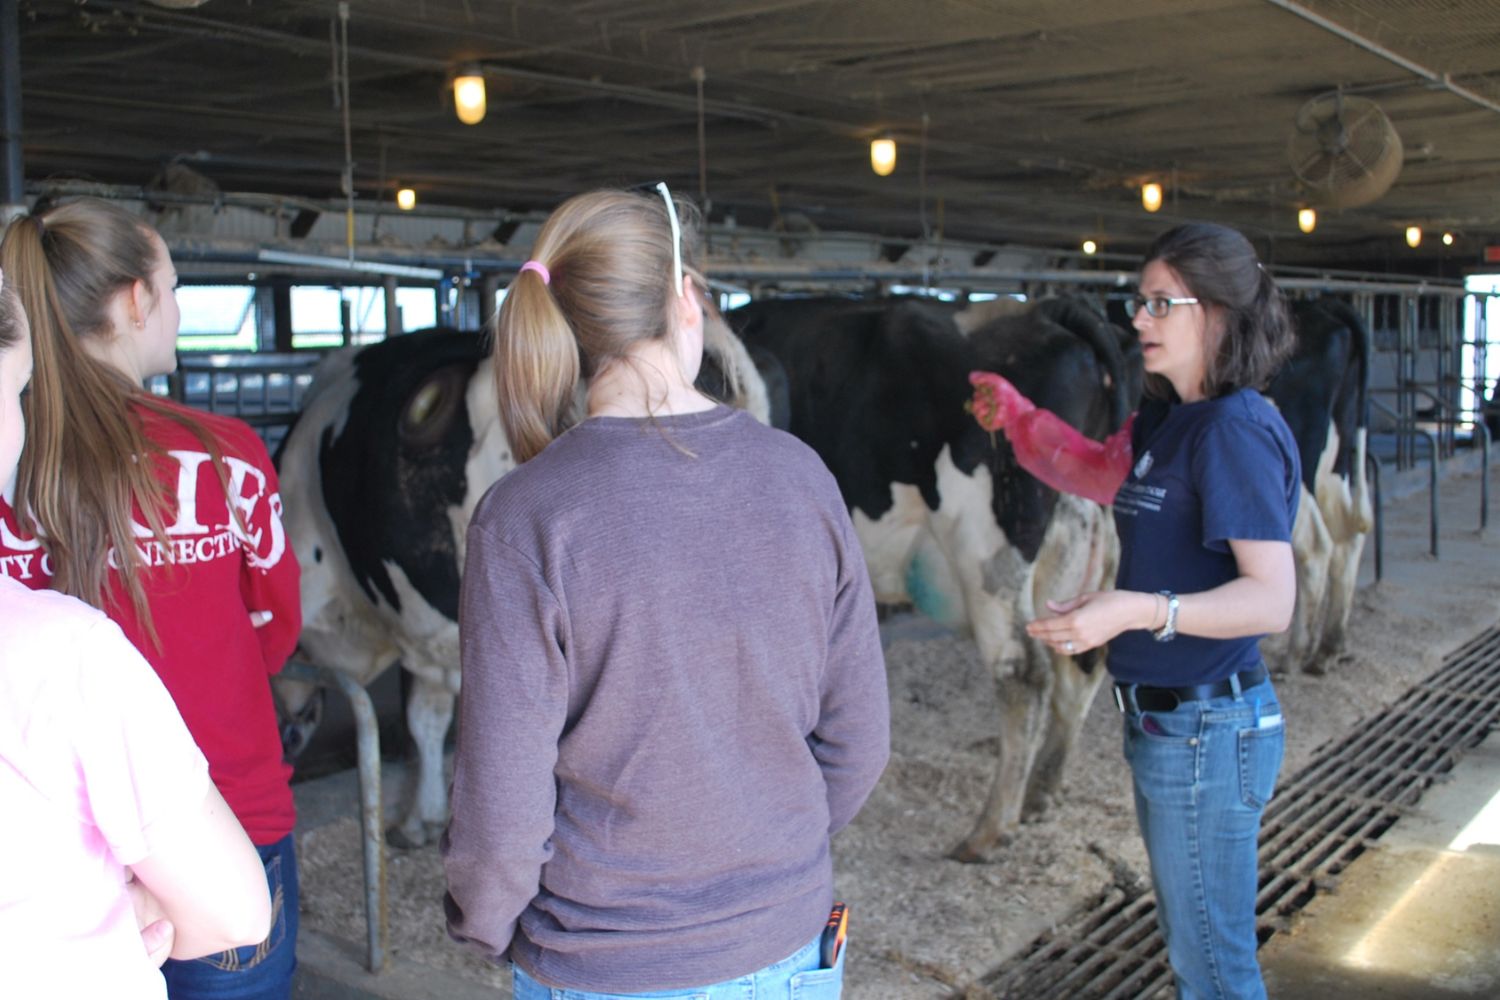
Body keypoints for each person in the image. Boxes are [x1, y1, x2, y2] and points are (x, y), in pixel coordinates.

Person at [441, 185, 890, 999]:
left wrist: (485, 923)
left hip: (605, 962)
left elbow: (502, 817)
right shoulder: (802, 477)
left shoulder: (525, 516)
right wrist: (768, 857)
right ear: (687, 300)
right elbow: (859, 741)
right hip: (791, 949)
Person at [974, 222, 1299, 1000]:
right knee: (1197, 957)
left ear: (1215, 313)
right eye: (1139, 302)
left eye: (1160, 304)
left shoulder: (1234, 432)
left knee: (1213, 967)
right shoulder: (1168, 418)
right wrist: (1018, 418)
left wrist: (1136, 609)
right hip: (1169, 725)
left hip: (1211, 728)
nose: (1139, 320)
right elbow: (1095, 471)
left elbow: (1273, 598)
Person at [0, 200, 302, 1000]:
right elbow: (276, 630)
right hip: (226, 824)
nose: (174, 309)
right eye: (172, 288)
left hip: (56, 863)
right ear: (137, 300)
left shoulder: (15, 476)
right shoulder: (226, 455)